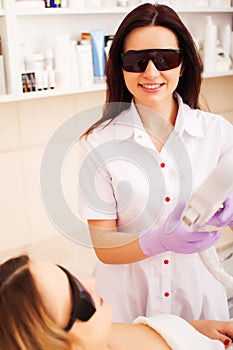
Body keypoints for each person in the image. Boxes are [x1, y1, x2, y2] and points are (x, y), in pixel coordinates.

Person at [77, 3, 233, 323]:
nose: (150, 72)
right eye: (136, 61)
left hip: (200, 305)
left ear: (183, 65)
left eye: (165, 59)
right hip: (125, 312)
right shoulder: (98, 144)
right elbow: (104, 246)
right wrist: (157, 240)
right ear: (120, 67)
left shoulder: (218, 134)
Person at [1, 254, 233, 350]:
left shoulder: (100, 336)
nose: (91, 282)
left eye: (71, 276)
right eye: (80, 296)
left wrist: (190, 331)